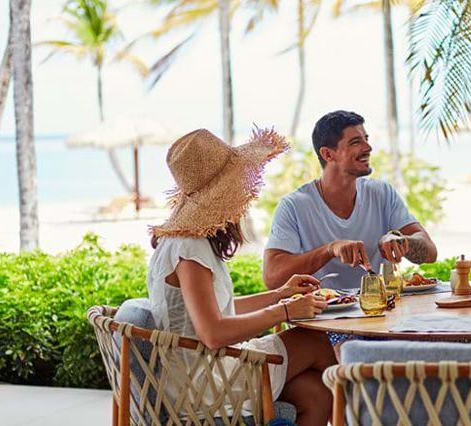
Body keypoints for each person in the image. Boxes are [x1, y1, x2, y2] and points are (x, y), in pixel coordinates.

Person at [147, 128, 337, 424]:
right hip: (202, 383)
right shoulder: (189, 248)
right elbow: (213, 333)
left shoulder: (184, 242)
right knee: (318, 343)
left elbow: (220, 310)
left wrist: (279, 294)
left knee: (316, 394)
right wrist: (285, 311)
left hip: (206, 371)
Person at [263, 110, 438, 290]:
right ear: (328, 154)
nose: (368, 148)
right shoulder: (293, 206)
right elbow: (272, 278)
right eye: (356, 142)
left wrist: (401, 241)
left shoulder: (382, 193)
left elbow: (431, 253)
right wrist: (330, 249)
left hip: (376, 308)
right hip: (320, 313)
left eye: (366, 139)